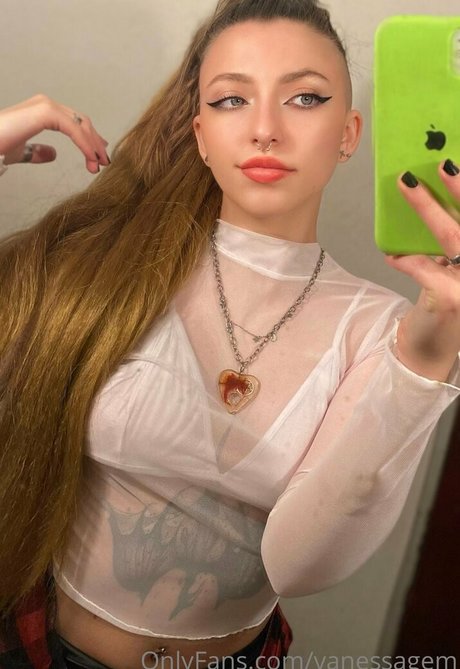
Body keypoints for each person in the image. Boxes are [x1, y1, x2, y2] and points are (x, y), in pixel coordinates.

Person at [1, 0, 460, 667]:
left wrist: (430, 347)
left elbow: (299, 566)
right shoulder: (102, 267)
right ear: (200, 134)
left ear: (348, 133)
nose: (265, 129)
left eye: (305, 98)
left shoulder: (384, 329)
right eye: (230, 100)